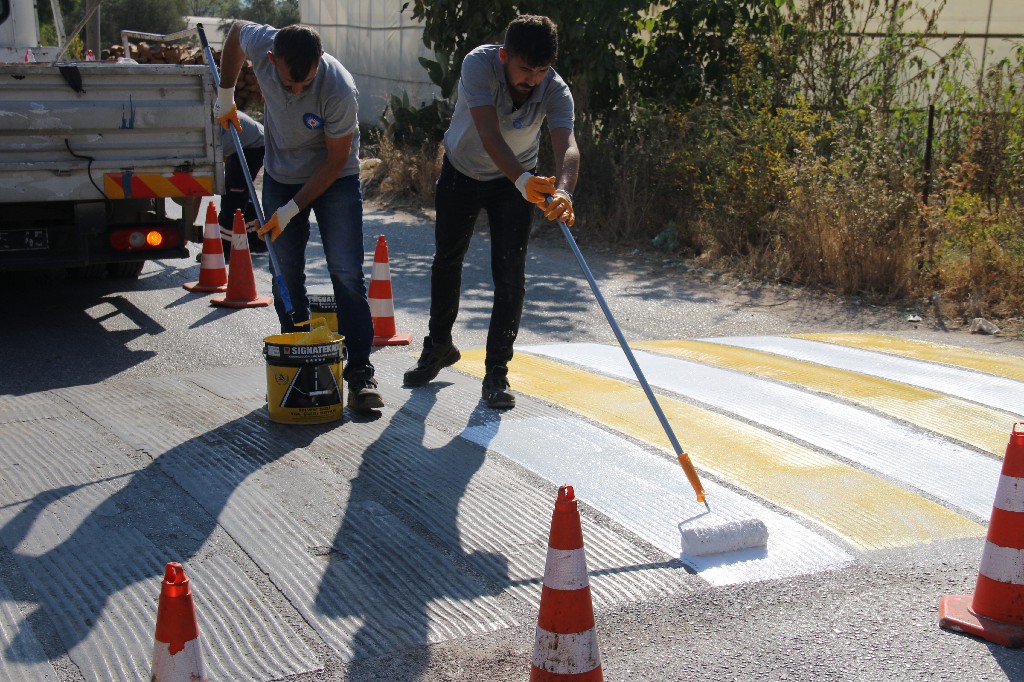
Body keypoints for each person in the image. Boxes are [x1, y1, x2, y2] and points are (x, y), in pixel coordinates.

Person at [403, 14, 579, 409]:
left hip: (516, 182)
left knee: (510, 273)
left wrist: (564, 193)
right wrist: (522, 180)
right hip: (463, 170)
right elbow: (487, 132)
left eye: (540, 71)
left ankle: (497, 372)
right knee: (447, 260)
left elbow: (567, 145)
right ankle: (438, 347)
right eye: (523, 69)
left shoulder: (555, 89)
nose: (531, 79)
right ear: (504, 56)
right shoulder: (478, 64)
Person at [214, 21, 383, 412]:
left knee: (346, 273)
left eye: (305, 83)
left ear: (319, 61)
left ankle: (360, 373)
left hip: (335, 177)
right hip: (280, 175)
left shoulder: (338, 88)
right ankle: (301, 360)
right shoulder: (264, 46)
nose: (296, 91)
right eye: (290, 83)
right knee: (285, 272)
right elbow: (238, 31)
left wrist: (291, 211)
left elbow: (337, 158)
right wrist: (226, 95)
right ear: (272, 61)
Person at [218, 109, 267, 261]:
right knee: (241, 192)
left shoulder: (215, 121)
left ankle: (225, 248)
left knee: (233, 197)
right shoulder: (213, 114)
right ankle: (256, 241)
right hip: (243, 144)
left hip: (255, 146)